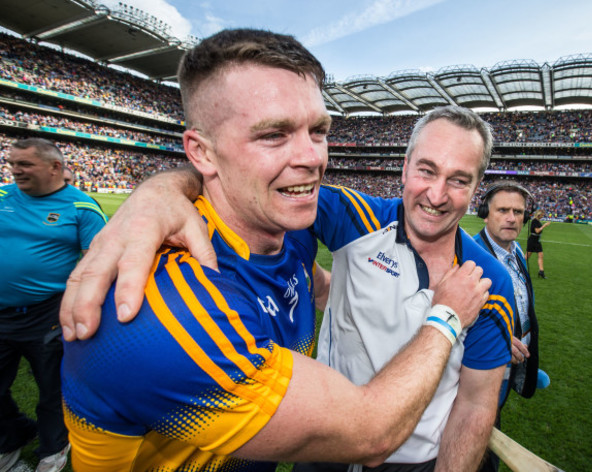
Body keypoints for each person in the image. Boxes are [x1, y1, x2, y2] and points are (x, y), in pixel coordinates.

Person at [60, 30, 492, 472]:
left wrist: (162, 188)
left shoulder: (289, 228)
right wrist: (447, 314)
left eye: (318, 130)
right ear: (202, 152)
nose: (311, 157)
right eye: (273, 134)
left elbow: (314, 286)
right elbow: (372, 433)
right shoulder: (165, 313)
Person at [0, 138, 106, 472]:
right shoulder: (2, 195)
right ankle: (12, 439)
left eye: (25, 164)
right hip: (1, 312)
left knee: (52, 388)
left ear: (54, 167)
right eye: (13, 163)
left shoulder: (82, 208)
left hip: (48, 313)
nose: (16, 170)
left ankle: (53, 450)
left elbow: (98, 263)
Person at [473, 181, 550, 472]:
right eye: (503, 210)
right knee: (479, 442)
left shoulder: (516, 251)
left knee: (493, 423)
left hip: (508, 368)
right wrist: (503, 340)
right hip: (478, 374)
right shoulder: (471, 256)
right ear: (485, 213)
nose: (512, 217)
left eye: (518, 211)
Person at [526, 209, 550, 278]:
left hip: (537, 241)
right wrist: (544, 225)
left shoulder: (537, 221)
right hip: (533, 240)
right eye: (542, 215)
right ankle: (518, 267)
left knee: (541, 255)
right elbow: (537, 231)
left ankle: (541, 272)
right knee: (527, 256)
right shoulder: (534, 221)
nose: (542, 216)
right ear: (539, 214)